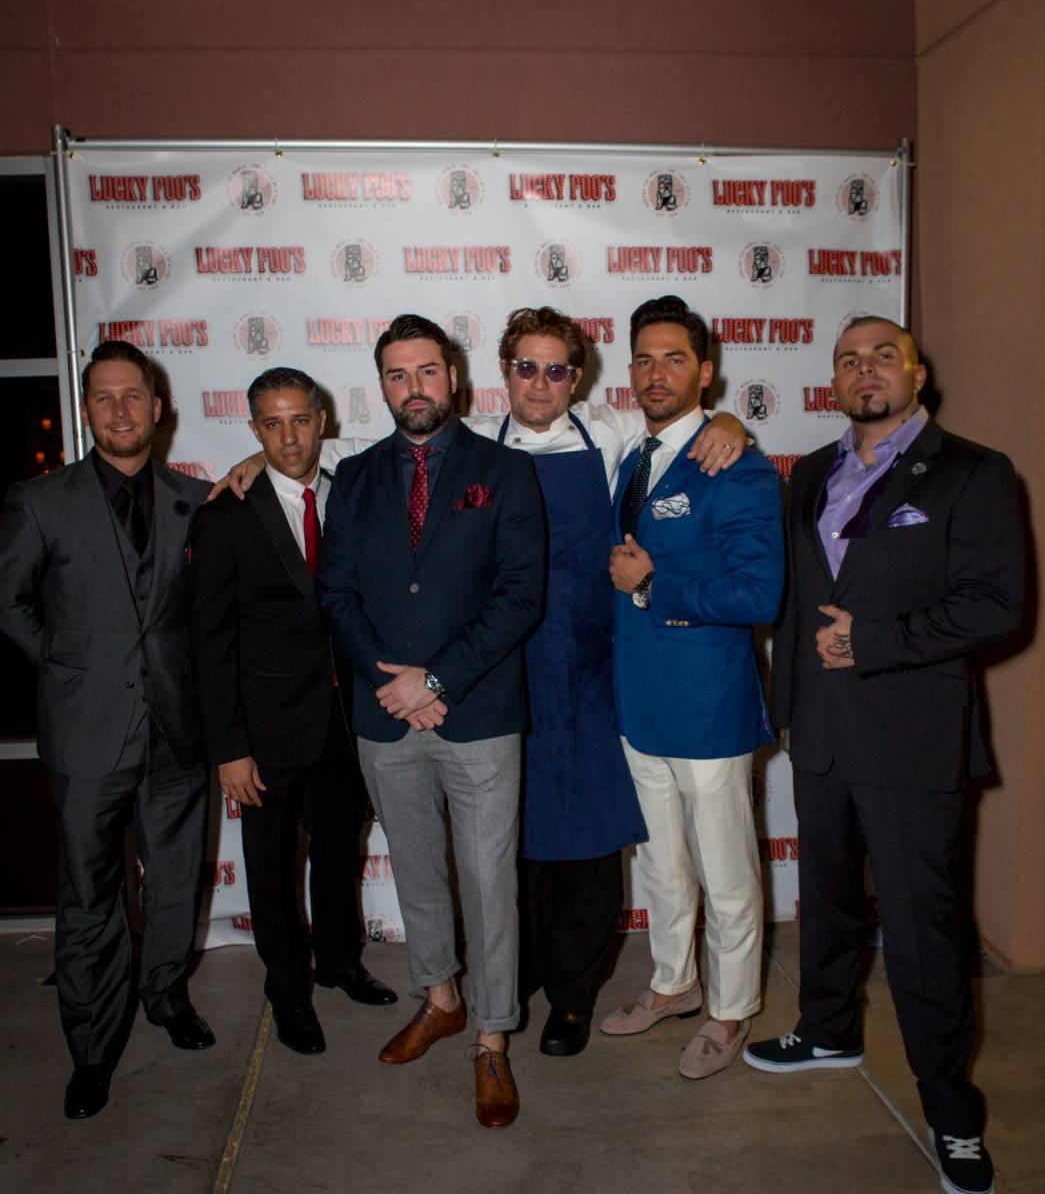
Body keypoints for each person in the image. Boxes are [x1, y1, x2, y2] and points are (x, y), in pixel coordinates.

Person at [217, 309, 747, 1057]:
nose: (540, 383)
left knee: (588, 847)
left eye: (555, 370)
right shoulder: (458, 444)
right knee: (510, 856)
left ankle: (571, 999)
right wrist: (251, 460)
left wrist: (729, 421)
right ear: (502, 375)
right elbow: (311, 454)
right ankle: (510, 987)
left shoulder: (610, 439)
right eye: (526, 368)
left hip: (583, 676)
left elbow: (680, 432)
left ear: (576, 378)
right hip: (492, 677)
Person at [743, 317, 1023, 1194]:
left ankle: (951, 1113)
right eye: (847, 360)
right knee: (826, 899)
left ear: (916, 372)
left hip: (911, 738)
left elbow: (996, 604)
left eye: (882, 356)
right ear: (833, 381)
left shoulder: (973, 471)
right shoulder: (810, 473)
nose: (864, 370)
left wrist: (874, 641)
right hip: (821, 732)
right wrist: (788, 711)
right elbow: (796, 603)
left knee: (921, 931)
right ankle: (827, 1029)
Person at [316, 314, 546, 1128]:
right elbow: (336, 592)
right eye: (395, 374)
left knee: (487, 881)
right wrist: (394, 686)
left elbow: (520, 594)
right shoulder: (353, 477)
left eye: (425, 371)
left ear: (452, 377)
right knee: (415, 869)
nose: (412, 387)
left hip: (477, 711)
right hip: (385, 716)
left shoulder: (505, 472)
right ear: (381, 386)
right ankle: (440, 998)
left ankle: (490, 1036)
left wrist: (436, 679)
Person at [0, 341, 214, 1120]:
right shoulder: (39, 501)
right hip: (87, 731)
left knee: (176, 880)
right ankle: (92, 1048)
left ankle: (165, 994)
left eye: (134, 396)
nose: (120, 411)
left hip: (176, 731)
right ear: (85, 410)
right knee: (90, 893)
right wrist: (69, 665)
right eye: (104, 397)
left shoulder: (196, 501)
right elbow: (10, 602)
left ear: (159, 408)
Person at [187, 367, 396, 1057]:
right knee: (272, 867)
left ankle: (338, 962)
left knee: (338, 851)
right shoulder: (224, 517)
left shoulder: (351, 497)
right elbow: (210, 642)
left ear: (321, 421)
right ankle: (287, 990)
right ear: (254, 430)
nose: (288, 437)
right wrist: (229, 748)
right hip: (267, 729)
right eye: (272, 425)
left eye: (299, 420)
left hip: (348, 718)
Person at [601, 295, 784, 1081]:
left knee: (725, 872)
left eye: (673, 358)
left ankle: (731, 1008)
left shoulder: (736, 465)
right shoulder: (631, 455)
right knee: (661, 864)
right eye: (643, 359)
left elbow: (758, 594)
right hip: (638, 701)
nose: (655, 373)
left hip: (707, 706)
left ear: (704, 371)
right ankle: (673, 983)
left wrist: (652, 586)